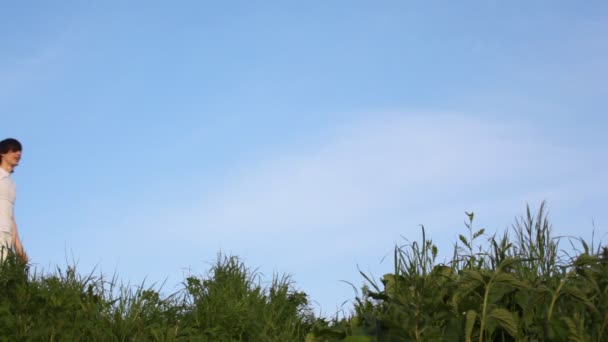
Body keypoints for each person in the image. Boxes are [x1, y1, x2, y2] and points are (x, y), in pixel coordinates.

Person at [0, 138, 27, 262]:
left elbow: (10, 215)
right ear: (2, 153)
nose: (18, 154)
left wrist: (19, 247)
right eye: (14, 150)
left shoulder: (11, 184)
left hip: (7, 234)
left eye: (20, 151)